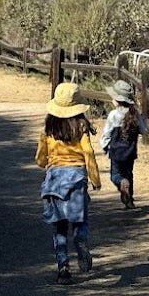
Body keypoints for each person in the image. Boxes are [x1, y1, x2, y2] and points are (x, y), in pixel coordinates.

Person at [35, 82, 101, 283]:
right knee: (80, 219)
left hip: (55, 179)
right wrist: (95, 178)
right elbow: (88, 152)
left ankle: (63, 268)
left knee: (59, 226)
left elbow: (40, 157)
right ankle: (80, 240)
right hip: (76, 177)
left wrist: (45, 163)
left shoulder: (48, 128)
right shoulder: (81, 127)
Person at [100, 78, 147, 209]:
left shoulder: (113, 115)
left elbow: (107, 133)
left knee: (115, 175)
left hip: (116, 151)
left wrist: (104, 146)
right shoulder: (135, 115)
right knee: (129, 173)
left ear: (117, 100)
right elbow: (144, 131)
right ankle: (130, 200)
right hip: (130, 151)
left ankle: (121, 183)